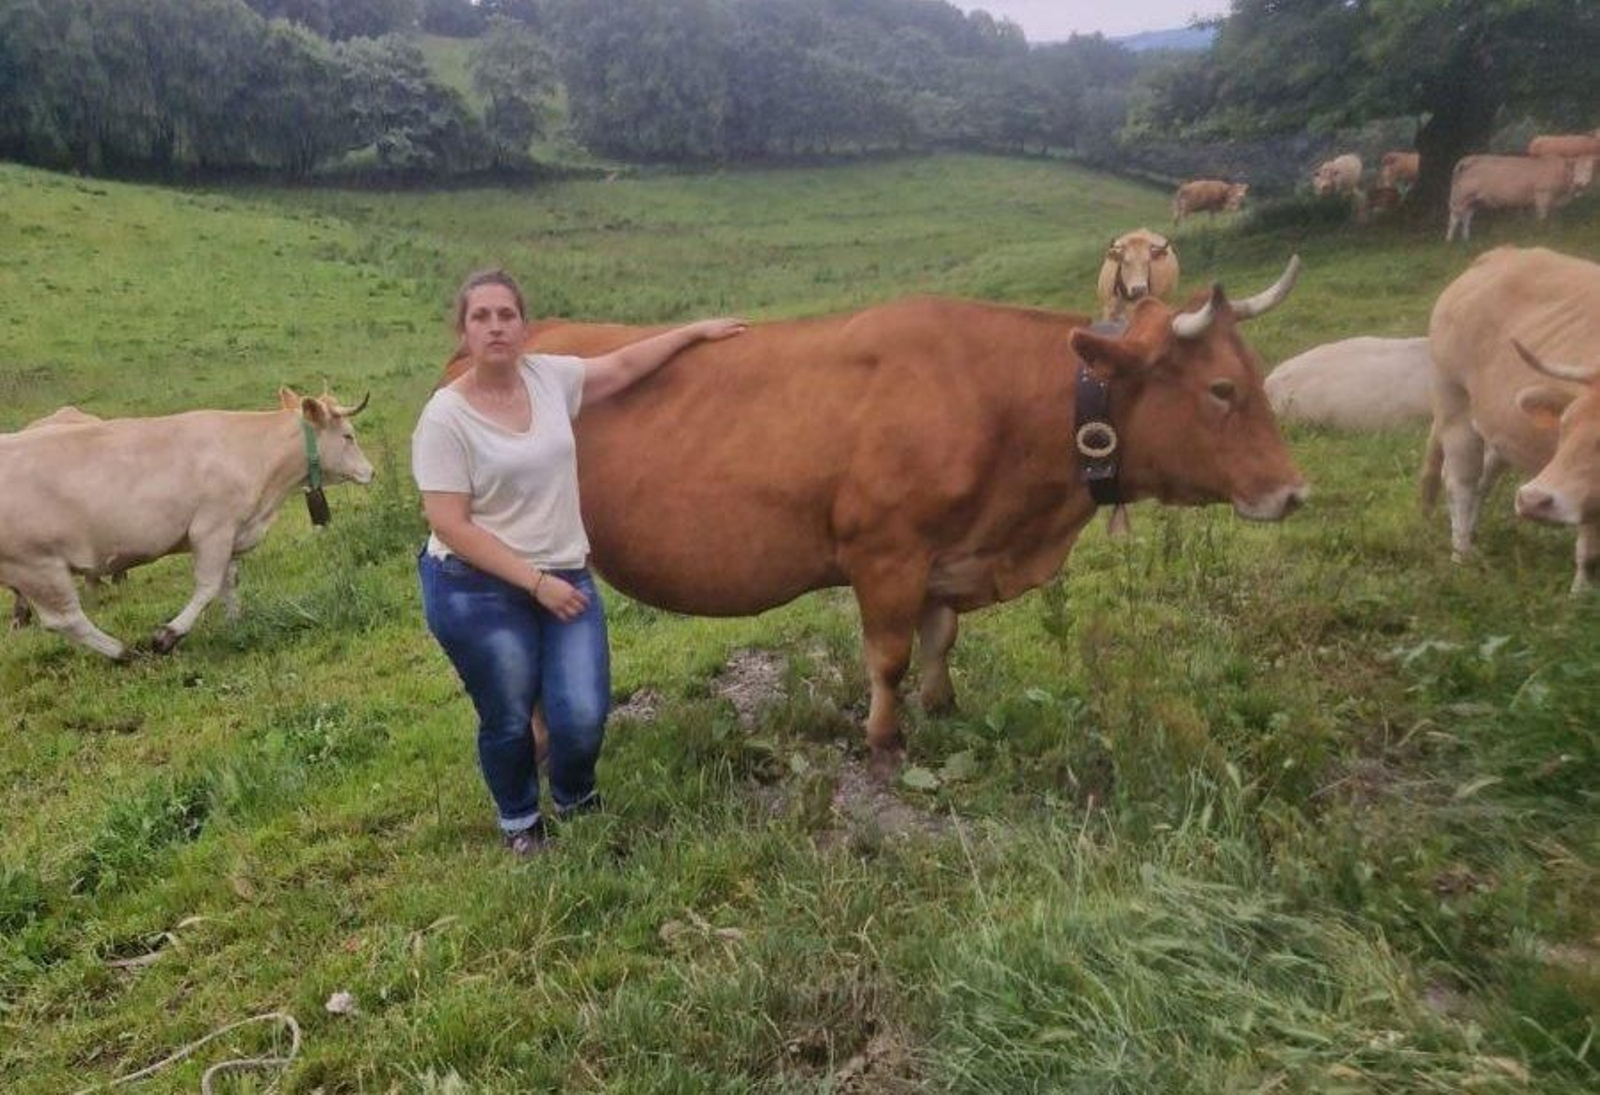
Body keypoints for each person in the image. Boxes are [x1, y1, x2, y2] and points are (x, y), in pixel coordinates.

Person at [413, 269, 745, 856]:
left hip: (561, 575)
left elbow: (620, 368)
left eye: (506, 315)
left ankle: (574, 797)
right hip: (477, 589)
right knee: (510, 718)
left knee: (583, 712)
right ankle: (521, 822)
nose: (495, 327)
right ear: (463, 331)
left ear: (524, 326)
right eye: (481, 317)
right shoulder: (445, 416)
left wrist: (693, 332)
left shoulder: (548, 378)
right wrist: (535, 583)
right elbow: (449, 523)